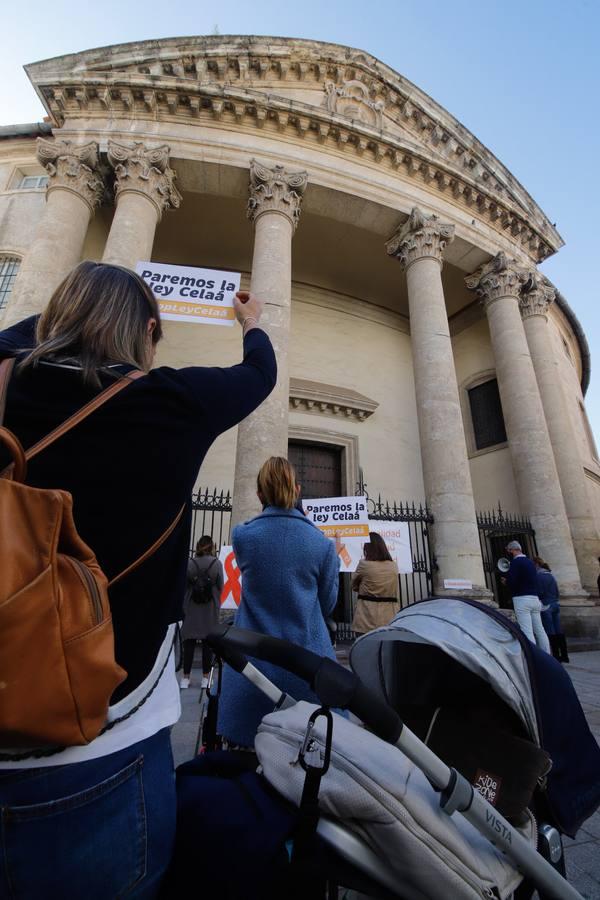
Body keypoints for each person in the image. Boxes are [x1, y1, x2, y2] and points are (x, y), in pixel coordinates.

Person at [0, 261, 276, 898]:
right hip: (103, 746)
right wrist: (250, 324)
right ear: (149, 332)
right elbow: (258, 375)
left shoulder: (8, 378)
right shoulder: (170, 404)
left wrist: (65, 314)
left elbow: (17, 340)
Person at [217, 456, 339, 748]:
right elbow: (328, 604)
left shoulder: (243, 536)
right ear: (297, 491)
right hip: (306, 669)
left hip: (254, 671)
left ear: (259, 494)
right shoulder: (322, 544)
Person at [180, 536, 224, 689]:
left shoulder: (190, 563)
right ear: (212, 547)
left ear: (198, 546)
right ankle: (205, 678)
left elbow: (183, 586)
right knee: (208, 644)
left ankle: (185, 678)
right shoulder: (216, 564)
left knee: (189, 643)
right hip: (209, 608)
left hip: (192, 607)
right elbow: (221, 586)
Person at [504, 541, 550, 653]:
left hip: (522, 599)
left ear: (512, 550)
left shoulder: (516, 563)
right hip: (534, 598)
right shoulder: (530, 562)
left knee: (527, 631)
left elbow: (513, 581)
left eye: (509, 551)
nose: (509, 553)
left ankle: (532, 656)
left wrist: (506, 582)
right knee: (540, 630)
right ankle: (547, 654)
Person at [351, 532, 401, 635]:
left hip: (367, 615)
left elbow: (353, 585)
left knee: (364, 647)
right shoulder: (393, 566)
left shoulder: (364, 564)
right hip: (389, 615)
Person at [534, 556, 569, 662]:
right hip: (555, 604)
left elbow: (539, 591)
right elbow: (557, 591)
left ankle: (555, 656)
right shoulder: (550, 575)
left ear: (536, 565)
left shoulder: (539, 576)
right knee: (558, 629)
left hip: (546, 605)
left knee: (549, 630)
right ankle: (564, 655)